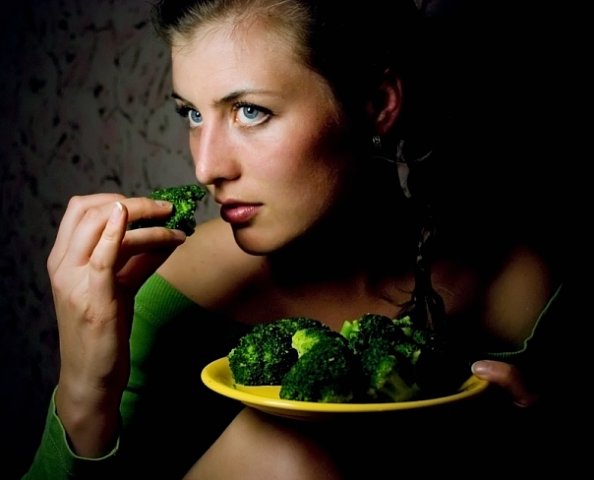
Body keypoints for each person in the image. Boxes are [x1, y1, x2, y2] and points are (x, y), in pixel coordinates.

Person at [22, 0, 568, 479]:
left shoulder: (514, 288)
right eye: (192, 114)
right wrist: (84, 391)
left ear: (378, 103)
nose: (206, 167)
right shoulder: (161, 290)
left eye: (250, 111)